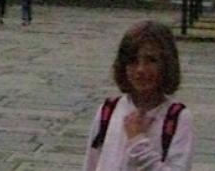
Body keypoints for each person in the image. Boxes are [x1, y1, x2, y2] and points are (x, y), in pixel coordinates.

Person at [83, 21, 195, 170]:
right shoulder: (108, 111)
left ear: (166, 64)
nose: (140, 69)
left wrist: (138, 143)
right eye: (133, 61)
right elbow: (91, 164)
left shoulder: (177, 118)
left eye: (151, 60)